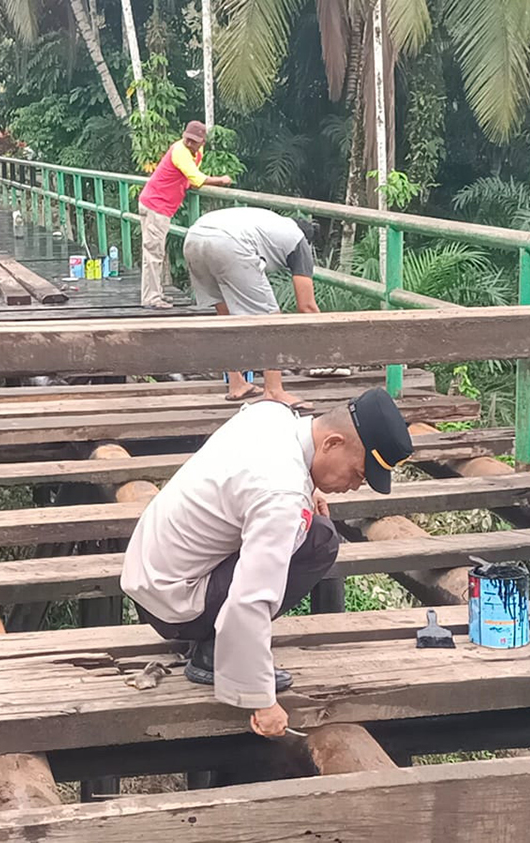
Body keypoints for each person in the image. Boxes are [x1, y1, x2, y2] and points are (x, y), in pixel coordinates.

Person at [121, 388, 413, 737]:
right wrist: (261, 698)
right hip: (177, 609)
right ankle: (213, 654)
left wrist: (311, 487)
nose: (354, 486)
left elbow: (265, 476)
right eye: (357, 473)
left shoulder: (273, 416)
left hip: (151, 578)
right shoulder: (282, 493)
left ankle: (218, 643)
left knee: (312, 527)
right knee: (318, 541)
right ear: (332, 444)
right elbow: (251, 598)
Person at [183, 207, 323, 408]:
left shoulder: (271, 223)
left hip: (194, 237)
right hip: (229, 243)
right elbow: (307, 306)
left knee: (226, 317)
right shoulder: (299, 241)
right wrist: (327, 347)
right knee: (271, 321)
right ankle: (274, 391)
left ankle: (236, 383)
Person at [136, 120, 232, 309]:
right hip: (156, 206)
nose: (189, 143)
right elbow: (196, 179)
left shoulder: (196, 152)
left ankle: (156, 293)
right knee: (154, 253)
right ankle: (151, 298)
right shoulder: (179, 150)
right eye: (187, 139)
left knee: (157, 252)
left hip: (161, 206)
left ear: (202, 142)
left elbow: (191, 176)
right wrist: (222, 179)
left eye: (194, 141)